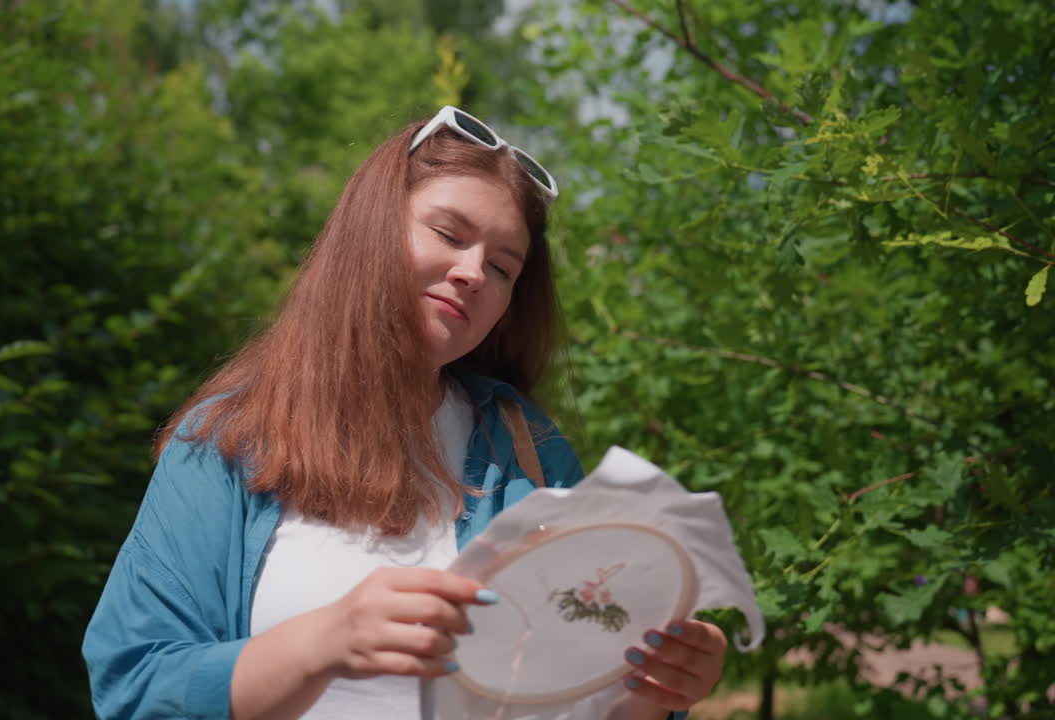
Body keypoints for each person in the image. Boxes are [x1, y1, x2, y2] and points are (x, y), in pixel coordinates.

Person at [82, 106, 728, 720]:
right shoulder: (227, 440)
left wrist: (650, 691)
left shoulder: (529, 452)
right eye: (450, 234)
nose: (474, 272)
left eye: (504, 267)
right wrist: (325, 642)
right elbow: (135, 686)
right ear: (372, 227)